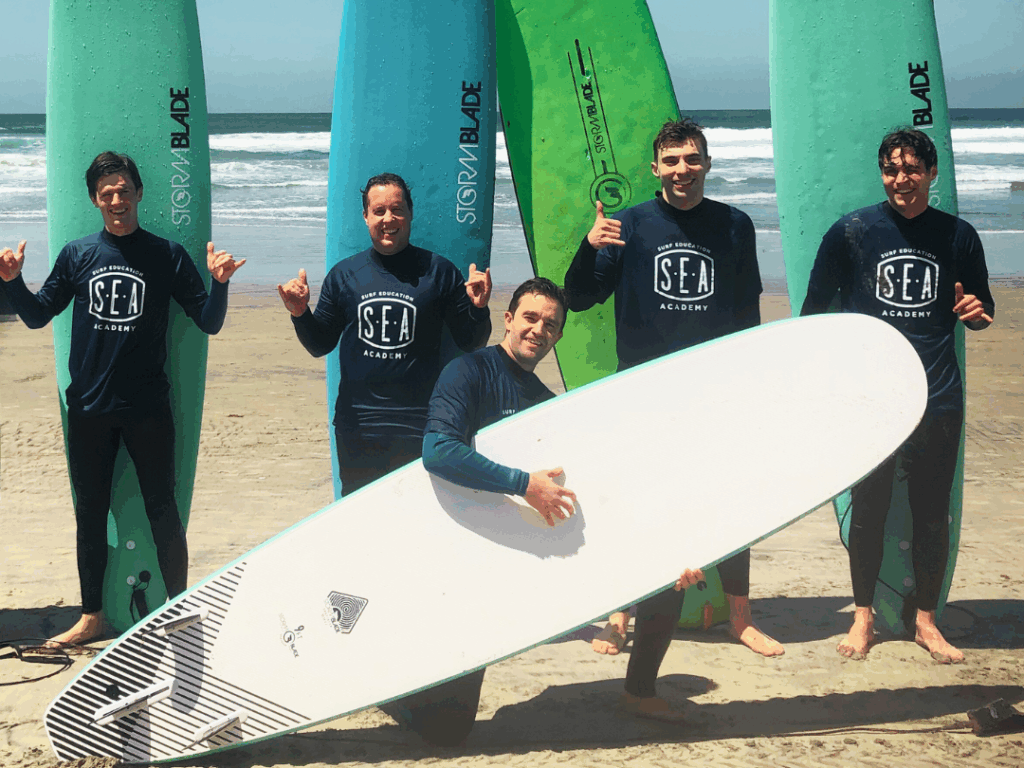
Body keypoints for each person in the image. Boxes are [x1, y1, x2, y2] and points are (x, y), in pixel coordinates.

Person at [406, 277, 705, 743]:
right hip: (472, 554)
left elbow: (589, 496)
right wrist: (523, 484)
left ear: (559, 336)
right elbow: (438, 451)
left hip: (533, 548)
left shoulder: (549, 405)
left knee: (666, 577)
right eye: (530, 317)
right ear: (508, 319)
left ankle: (640, 690)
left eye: (550, 324)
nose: (538, 330)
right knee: (445, 731)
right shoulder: (467, 372)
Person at [0, 151, 245, 646]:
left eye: (124, 189)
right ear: (95, 200)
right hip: (89, 407)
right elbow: (37, 315)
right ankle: (91, 616)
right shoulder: (77, 255)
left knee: (163, 510)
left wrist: (219, 284)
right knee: (89, 513)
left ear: (138, 193)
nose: (116, 199)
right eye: (106, 192)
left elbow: (209, 321)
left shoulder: (167, 255)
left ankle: (178, 608)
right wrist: (11, 283)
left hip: (147, 409)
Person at [563, 118, 782, 658]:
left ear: (707, 164)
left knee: (730, 501)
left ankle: (740, 617)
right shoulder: (629, 225)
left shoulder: (735, 225)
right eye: (672, 160)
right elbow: (580, 296)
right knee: (635, 503)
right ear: (655, 168)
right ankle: (620, 613)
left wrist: (748, 383)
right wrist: (590, 247)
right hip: (644, 389)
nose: (682, 169)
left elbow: (745, 312)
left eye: (692, 159)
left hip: (712, 390)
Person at [801, 128, 994, 664]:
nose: (901, 179)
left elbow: (983, 309)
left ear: (932, 174)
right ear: (881, 173)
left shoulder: (958, 236)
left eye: (912, 169)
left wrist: (976, 315)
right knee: (869, 509)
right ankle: (863, 617)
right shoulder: (853, 231)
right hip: (872, 399)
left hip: (939, 394)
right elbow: (815, 314)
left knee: (931, 512)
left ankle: (926, 622)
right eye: (891, 169)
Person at [277, 172, 492, 497]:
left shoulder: (439, 272)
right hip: (359, 426)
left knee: (421, 520)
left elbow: (470, 342)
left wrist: (478, 308)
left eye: (397, 209)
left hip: (424, 423)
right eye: (378, 211)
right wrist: (300, 314)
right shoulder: (345, 275)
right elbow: (320, 344)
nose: (388, 218)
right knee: (363, 523)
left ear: (410, 213)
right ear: (366, 217)